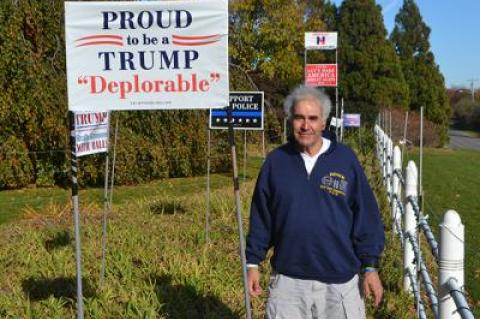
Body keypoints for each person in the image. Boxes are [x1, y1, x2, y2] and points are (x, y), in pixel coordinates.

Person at [245, 85, 385, 319]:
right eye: (299, 117)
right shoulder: (276, 162)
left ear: (323, 122)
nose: (305, 125)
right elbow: (261, 217)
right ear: (290, 120)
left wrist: (370, 267)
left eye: (313, 118)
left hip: (340, 283)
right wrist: (252, 263)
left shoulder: (345, 159)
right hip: (288, 283)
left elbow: (366, 216)